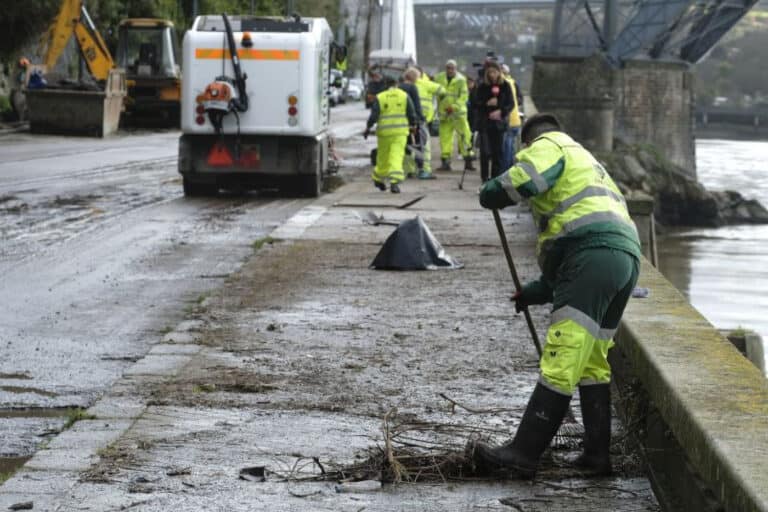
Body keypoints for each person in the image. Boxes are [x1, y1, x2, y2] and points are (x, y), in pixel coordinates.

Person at [474, 113, 642, 479]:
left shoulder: (549, 146)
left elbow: (527, 180)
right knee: (593, 362)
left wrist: (493, 191)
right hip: (623, 258)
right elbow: (568, 254)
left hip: (592, 256)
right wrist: (536, 292)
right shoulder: (589, 162)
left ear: (529, 141)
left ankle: (523, 452)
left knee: (563, 355)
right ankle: (597, 456)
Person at [364, 75, 418, 194]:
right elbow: (411, 112)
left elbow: (374, 116)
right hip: (400, 133)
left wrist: (368, 128)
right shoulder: (404, 95)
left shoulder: (380, 97)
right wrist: (413, 125)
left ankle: (378, 178)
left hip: (384, 133)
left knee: (382, 157)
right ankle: (394, 182)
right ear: (396, 84)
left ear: (385, 85)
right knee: (396, 156)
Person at [472, 61, 513, 183]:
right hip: (485, 123)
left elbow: (511, 103)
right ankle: (484, 178)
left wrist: (501, 111)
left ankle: (495, 178)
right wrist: (486, 104)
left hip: (499, 124)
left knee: (498, 152)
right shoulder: (482, 86)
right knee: (485, 152)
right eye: (489, 72)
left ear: (499, 72)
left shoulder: (505, 86)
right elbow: (475, 103)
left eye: (494, 72)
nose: (492, 75)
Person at [434, 59, 475, 172]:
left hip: (458, 114)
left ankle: (468, 160)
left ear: (456, 69)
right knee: (445, 138)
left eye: (452, 68)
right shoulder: (439, 78)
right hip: (445, 114)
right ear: (445, 68)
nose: (450, 70)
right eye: (448, 68)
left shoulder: (461, 80)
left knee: (464, 136)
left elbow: (464, 97)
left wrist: (454, 107)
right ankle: (445, 161)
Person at [414, 67, 444, 179]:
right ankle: (425, 170)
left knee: (411, 146)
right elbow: (442, 91)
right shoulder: (427, 84)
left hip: (410, 121)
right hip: (423, 120)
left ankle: (411, 170)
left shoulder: (405, 84)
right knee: (425, 145)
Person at [399, 70, 424, 179]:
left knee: (406, 147)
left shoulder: (399, 87)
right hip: (412, 121)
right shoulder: (412, 88)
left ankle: (408, 169)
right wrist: (420, 118)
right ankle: (420, 168)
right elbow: (416, 105)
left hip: (401, 121)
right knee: (417, 145)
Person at [501, 64, 524, 169]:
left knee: (506, 148)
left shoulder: (504, 83)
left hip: (508, 120)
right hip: (515, 120)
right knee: (510, 147)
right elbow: (519, 99)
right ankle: (511, 168)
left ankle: (506, 170)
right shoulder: (512, 82)